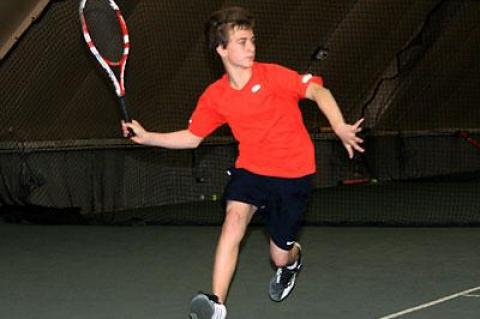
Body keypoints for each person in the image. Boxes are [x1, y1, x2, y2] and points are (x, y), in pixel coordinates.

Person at [122, 6, 364, 319]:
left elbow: (318, 91)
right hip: (251, 170)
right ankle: (217, 305)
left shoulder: (273, 76)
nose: (251, 47)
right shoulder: (215, 96)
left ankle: (291, 262)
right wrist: (147, 137)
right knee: (233, 221)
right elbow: (193, 137)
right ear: (221, 49)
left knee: (279, 255)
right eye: (242, 42)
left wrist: (340, 125)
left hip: (294, 173)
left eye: (251, 40)